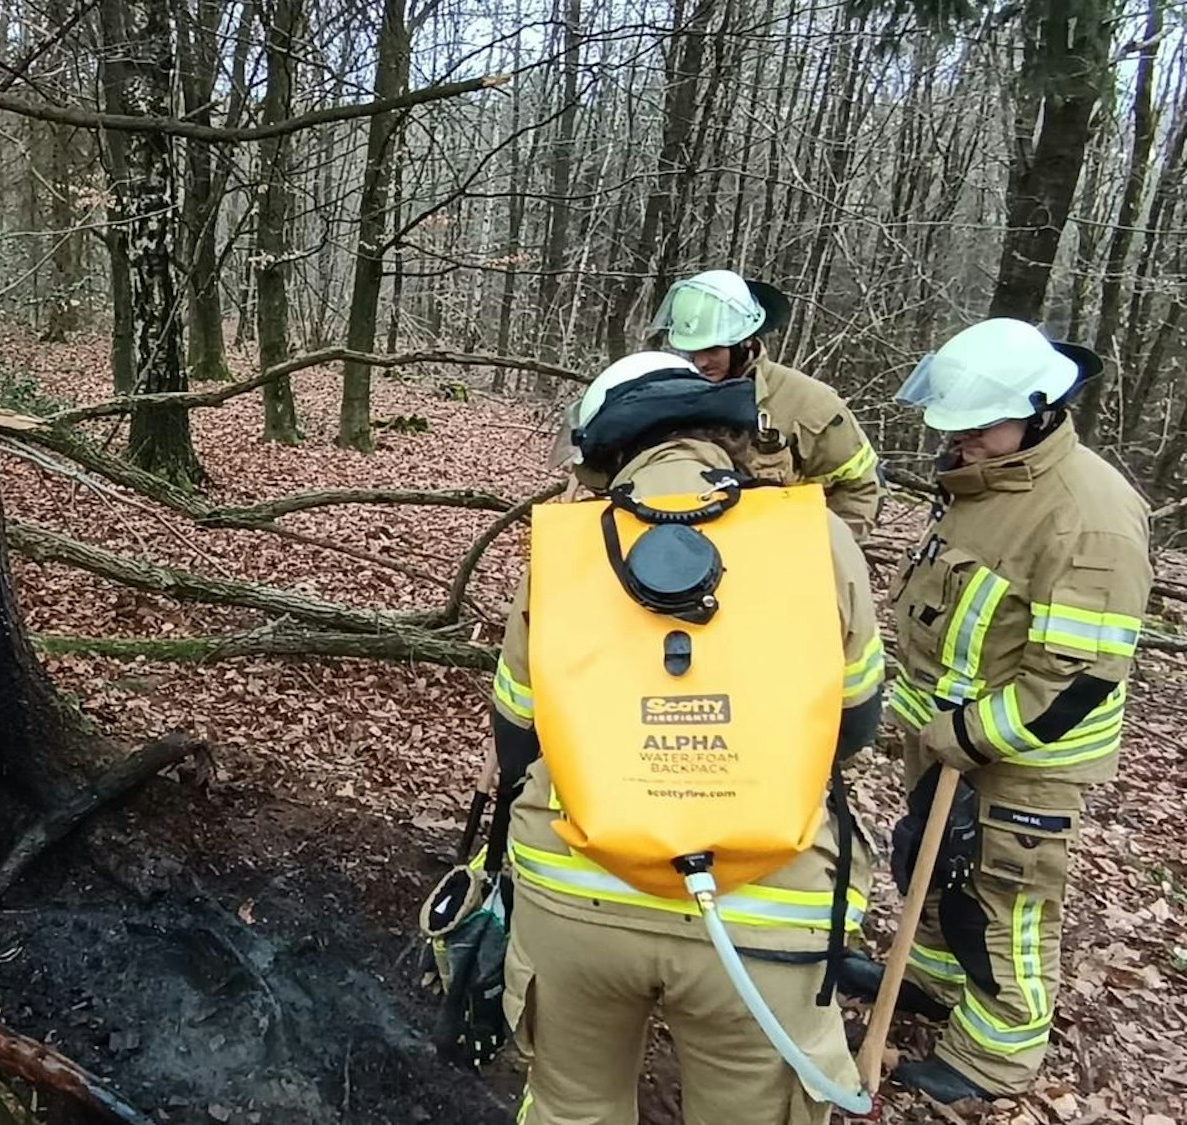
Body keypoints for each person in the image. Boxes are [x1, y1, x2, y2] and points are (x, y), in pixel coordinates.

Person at [492, 351, 885, 1124]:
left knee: (572, 1109)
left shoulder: (566, 545)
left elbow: (516, 731)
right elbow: (856, 725)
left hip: (578, 893)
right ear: (730, 433)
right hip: (764, 908)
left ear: (608, 447)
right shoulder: (819, 537)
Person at [837, 319, 1151, 1104]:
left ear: (1040, 410)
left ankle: (994, 1055)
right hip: (945, 742)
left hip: (1021, 760)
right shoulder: (989, 483)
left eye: (979, 429)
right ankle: (939, 978)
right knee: (937, 873)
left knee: (1005, 901)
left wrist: (970, 734)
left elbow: (1074, 680)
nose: (963, 444)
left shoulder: (1090, 516)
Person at [650, 269, 883, 539]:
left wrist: (826, 553)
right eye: (693, 351)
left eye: (713, 350)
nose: (701, 362)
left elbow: (860, 488)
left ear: (745, 341)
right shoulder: (672, 398)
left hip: (779, 557)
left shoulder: (810, 406)